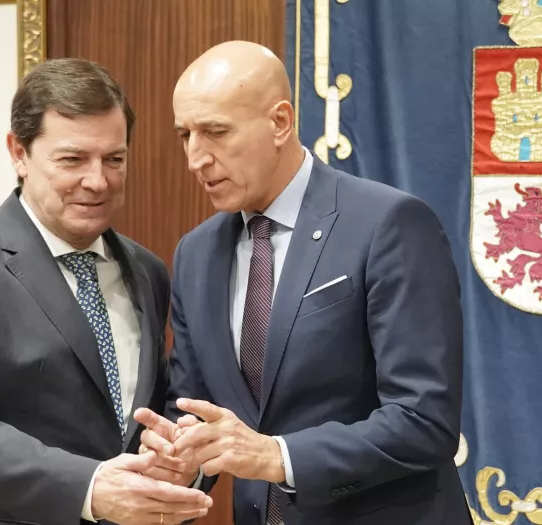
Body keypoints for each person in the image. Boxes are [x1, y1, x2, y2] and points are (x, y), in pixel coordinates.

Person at [133, 40, 470, 524]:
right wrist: (179, 457)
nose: (195, 158)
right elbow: (196, 408)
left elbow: (424, 421)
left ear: (280, 122)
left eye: (215, 132)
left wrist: (278, 456)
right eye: (185, 135)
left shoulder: (387, 224)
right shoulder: (196, 254)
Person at [0, 58, 213, 525]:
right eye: (72, 159)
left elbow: (149, 413)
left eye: (114, 159)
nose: (98, 181)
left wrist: (179, 461)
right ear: (19, 153)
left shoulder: (147, 271)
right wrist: (91, 488)